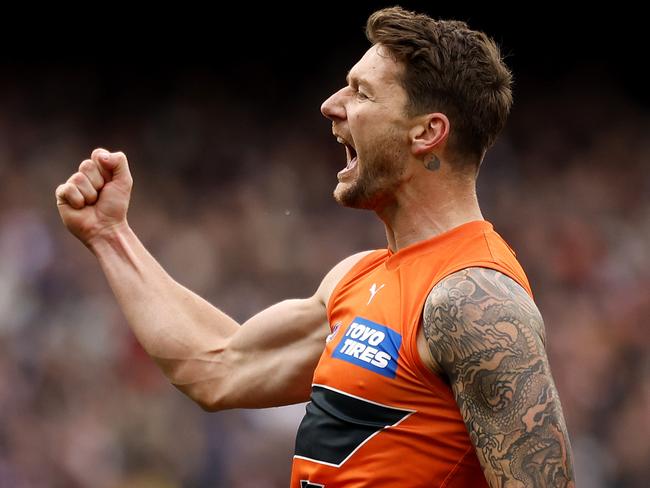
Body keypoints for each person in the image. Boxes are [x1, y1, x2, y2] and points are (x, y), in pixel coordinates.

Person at [55, 7, 575, 488]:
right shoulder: (356, 279)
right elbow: (216, 367)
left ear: (427, 133)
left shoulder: (473, 300)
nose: (331, 105)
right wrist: (110, 234)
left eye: (361, 93)